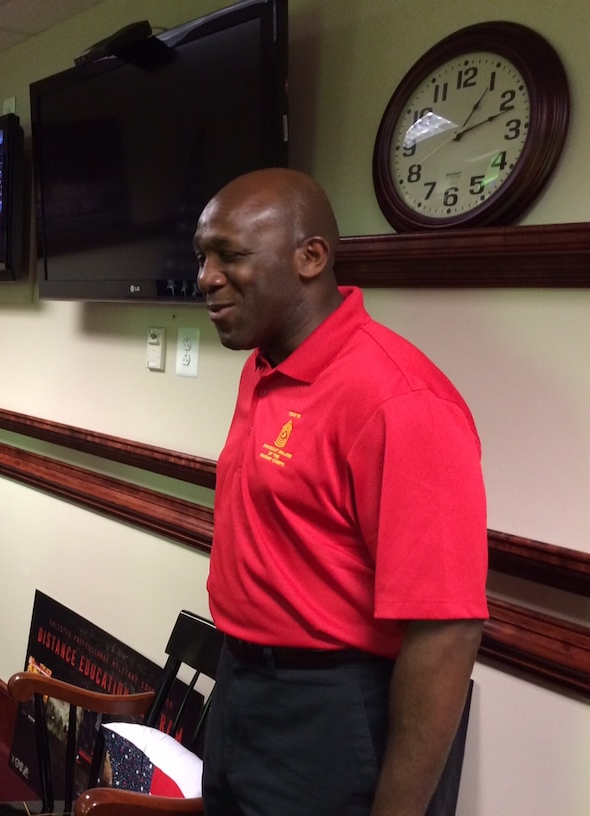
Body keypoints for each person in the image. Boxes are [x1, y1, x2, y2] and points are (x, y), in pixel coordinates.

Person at [192, 168, 488, 816]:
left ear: (311, 256)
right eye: (202, 257)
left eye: (231, 255)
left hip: (332, 711)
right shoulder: (263, 367)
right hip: (242, 685)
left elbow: (447, 634)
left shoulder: (400, 400)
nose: (206, 278)